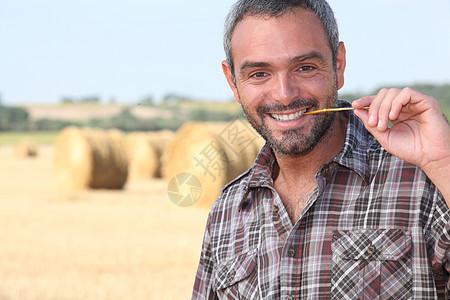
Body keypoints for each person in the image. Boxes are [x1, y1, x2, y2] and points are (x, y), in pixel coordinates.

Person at [192, 0, 450, 298]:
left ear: (338, 65)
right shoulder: (225, 213)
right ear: (233, 81)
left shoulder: (425, 178)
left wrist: (444, 162)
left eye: (305, 68)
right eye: (259, 73)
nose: (284, 95)